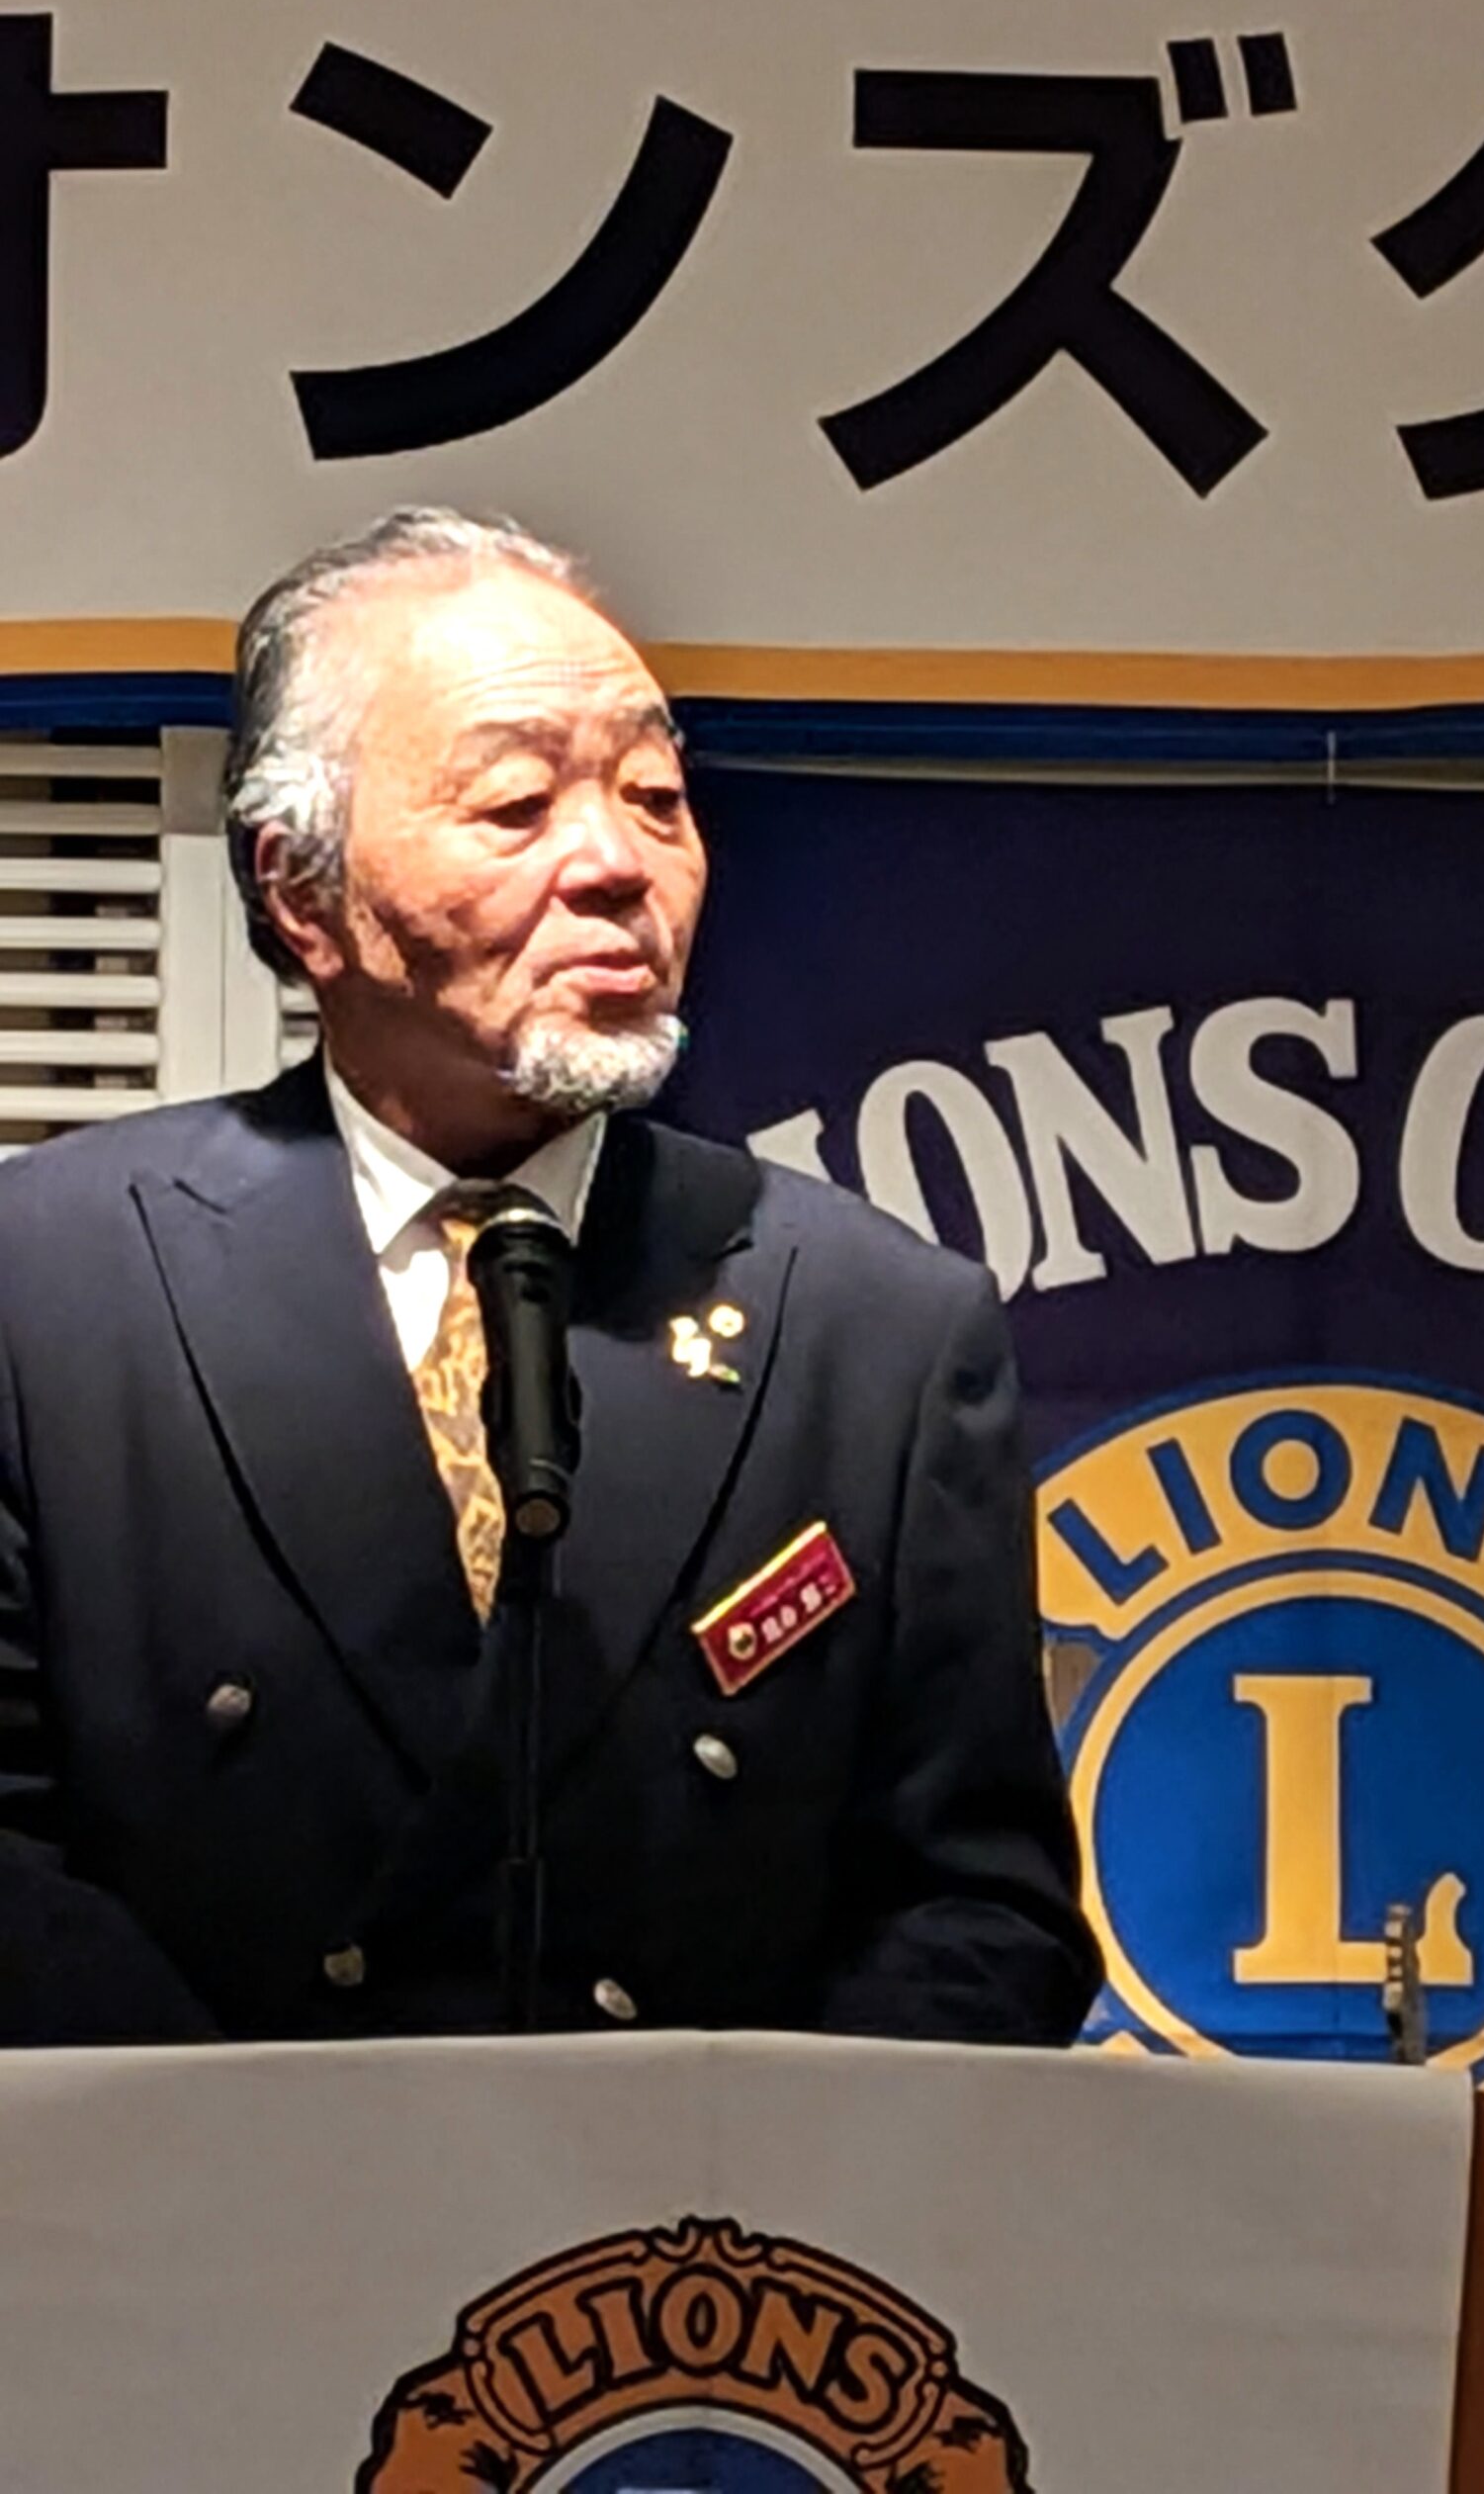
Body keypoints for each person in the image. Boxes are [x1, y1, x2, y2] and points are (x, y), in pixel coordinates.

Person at [0, 507, 1098, 2045]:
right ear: (304, 893)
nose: (618, 865)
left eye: (656, 797)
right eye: (518, 804)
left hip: (710, 2193)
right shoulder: (48, 1286)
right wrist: (251, 2158)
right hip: (186, 2176)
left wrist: (723, 2166)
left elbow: (980, 1910)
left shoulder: (881, 1332)